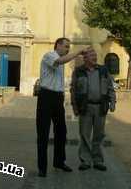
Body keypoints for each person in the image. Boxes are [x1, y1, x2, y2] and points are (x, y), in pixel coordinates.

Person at [36, 37, 90, 177]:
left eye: (68, 47)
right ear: (58, 45)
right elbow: (61, 60)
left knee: (61, 132)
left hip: (58, 98)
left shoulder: (62, 60)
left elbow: (67, 61)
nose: (67, 49)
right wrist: (78, 52)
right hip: (46, 97)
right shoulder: (50, 56)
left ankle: (59, 162)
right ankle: (42, 168)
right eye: (66, 46)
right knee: (43, 133)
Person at [70, 47, 116, 171]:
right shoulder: (78, 71)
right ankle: (85, 161)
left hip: (101, 107)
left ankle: (98, 160)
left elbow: (111, 87)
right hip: (85, 107)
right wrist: (74, 106)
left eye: (95, 55)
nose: (95, 58)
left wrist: (113, 102)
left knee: (99, 135)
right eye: (92, 56)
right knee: (84, 135)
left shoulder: (103, 70)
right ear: (85, 59)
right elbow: (73, 90)